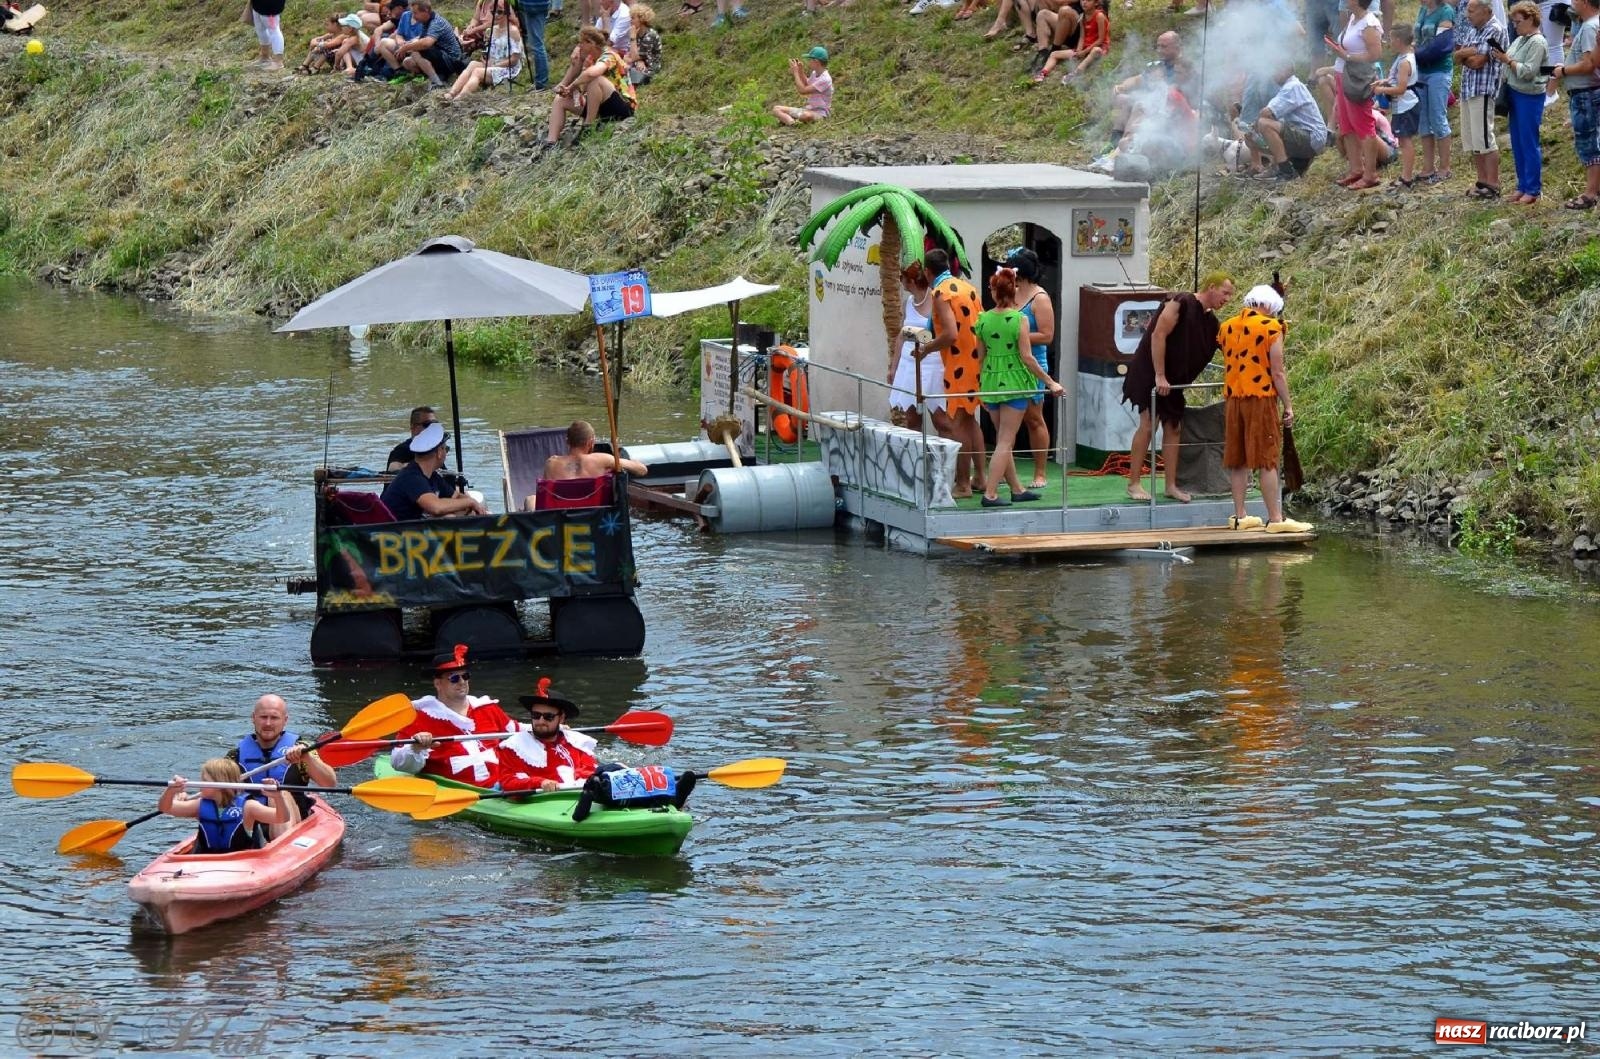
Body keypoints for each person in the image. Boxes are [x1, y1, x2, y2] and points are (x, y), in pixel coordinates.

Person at [1121, 272, 1235, 503]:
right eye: (1225, 293)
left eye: (1230, 295)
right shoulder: (1181, 302)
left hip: (1173, 381)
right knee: (1149, 424)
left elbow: (1228, 348)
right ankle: (1133, 483)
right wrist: (1159, 375)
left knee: (1174, 427)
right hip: (1150, 372)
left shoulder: (1211, 323)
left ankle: (1171, 485)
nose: (1227, 299)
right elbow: (1158, 335)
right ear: (1211, 287)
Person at [1218, 284, 1312, 534]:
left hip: (1233, 399)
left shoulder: (1227, 327)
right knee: (1268, 459)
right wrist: (1288, 405)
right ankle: (1276, 519)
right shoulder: (1271, 327)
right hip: (1260, 399)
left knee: (1238, 459)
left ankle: (1240, 517)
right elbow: (1277, 372)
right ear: (1269, 306)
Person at [389, 645, 542, 791]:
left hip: (504, 782)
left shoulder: (486, 707)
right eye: (454, 678)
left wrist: (550, 726)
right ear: (438, 683)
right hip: (461, 790)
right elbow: (398, 762)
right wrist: (415, 747)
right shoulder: (418, 717)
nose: (462, 682)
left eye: (465, 676)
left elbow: (518, 730)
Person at [974, 267, 1064, 507]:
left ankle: (1016, 488)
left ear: (993, 291)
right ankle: (990, 494)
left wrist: (980, 387)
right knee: (1005, 441)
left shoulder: (982, 320)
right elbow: (1027, 357)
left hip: (991, 383)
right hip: (1014, 382)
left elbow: (980, 357)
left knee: (1003, 438)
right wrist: (1050, 382)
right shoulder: (1019, 319)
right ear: (1013, 290)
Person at [917, 247, 989, 499]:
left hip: (959, 365)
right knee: (969, 420)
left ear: (928, 272)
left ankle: (963, 484)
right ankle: (980, 477)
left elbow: (950, 334)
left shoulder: (941, 293)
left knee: (957, 424)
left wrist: (926, 349)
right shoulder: (968, 288)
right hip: (976, 362)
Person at [225, 694, 337, 824]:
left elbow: (329, 784)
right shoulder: (235, 755)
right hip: (253, 820)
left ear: (285, 720)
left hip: (291, 820)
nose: (268, 723)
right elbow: (216, 792)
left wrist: (307, 758)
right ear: (253, 718)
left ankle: (281, 834)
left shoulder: (302, 750)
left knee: (277, 792)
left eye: (274, 718)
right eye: (263, 717)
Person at [158, 761, 293, 854]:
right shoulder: (199, 805)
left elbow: (282, 818)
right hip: (206, 863)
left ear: (220, 785)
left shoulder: (248, 807)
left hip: (244, 862)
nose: (199, 784)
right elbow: (166, 808)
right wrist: (171, 791)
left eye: (205, 780)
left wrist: (277, 797)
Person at [1322, 0, 1386, 191]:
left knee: (1363, 124)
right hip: (1343, 76)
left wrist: (1347, 56)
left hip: (1357, 80)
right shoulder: (1353, 19)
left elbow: (1375, 54)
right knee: (1347, 124)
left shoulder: (1369, 23)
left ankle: (1370, 174)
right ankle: (1356, 168)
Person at [1491, 2, 1551, 204]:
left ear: (1530, 19)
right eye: (1513, 22)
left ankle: (1533, 188)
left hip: (1529, 96)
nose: (1515, 26)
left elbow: (1528, 71)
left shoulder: (1538, 42)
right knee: (1517, 142)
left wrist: (1507, 60)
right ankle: (1522, 184)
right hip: (1515, 93)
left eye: (1518, 22)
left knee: (1528, 141)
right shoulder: (1520, 40)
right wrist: (1503, 59)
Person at [542, 27, 637, 150]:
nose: (579, 46)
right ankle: (551, 142)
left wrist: (572, 86)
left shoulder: (609, 55)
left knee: (595, 80)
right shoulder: (590, 59)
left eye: (581, 43)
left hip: (622, 105)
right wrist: (572, 91)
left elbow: (592, 74)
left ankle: (588, 126)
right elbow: (582, 86)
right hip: (600, 106)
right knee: (560, 100)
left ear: (591, 43)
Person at [1007, 248, 1054, 489]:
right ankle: (1007, 473)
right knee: (1007, 421)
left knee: (1034, 419)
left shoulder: (1040, 298)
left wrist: (1018, 336)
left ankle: (1040, 472)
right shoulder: (1011, 293)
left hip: (1033, 363)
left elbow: (1047, 335)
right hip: (1009, 364)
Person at [1453, 0, 1509, 198]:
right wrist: (1466, 52)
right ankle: (1482, 181)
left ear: (1486, 10)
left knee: (1485, 138)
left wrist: (1466, 54)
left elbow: (1478, 62)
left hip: (1483, 90)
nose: (1467, 15)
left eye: (1471, 11)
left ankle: (1493, 184)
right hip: (1468, 90)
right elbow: (1457, 56)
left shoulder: (1495, 29)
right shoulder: (1473, 30)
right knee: (1474, 140)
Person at [380, 422, 489, 520]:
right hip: (391, 532)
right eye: (446, 449)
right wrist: (470, 502)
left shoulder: (432, 476)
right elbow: (436, 507)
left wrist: (472, 507)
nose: (446, 454)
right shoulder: (412, 477)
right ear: (439, 452)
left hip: (408, 529)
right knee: (448, 518)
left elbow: (455, 496)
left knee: (457, 515)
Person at [498, 687, 598, 791]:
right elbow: (508, 781)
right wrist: (540, 782)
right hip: (539, 799)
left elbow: (590, 770)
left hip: (577, 794)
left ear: (561, 718)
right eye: (536, 715)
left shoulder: (578, 742)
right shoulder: (513, 746)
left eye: (548, 716)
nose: (541, 721)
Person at [1551, 0, 1600, 209]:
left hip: (1585, 93)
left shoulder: (1589, 27)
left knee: (1589, 143)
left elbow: (1589, 64)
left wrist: (1563, 71)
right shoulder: (1592, 24)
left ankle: (1590, 193)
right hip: (1588, 92)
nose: (1571, 2)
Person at [887, 261, 944, 434]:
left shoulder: (936, 300)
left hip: (931, 363)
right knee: (911, 418)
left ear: (910, 281)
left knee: (940, 419)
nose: (901, 282)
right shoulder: (908, 302)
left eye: (902, 278)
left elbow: (941, 333)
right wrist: (894, 368)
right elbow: (901, 336)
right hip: (909, 364)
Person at [1255, 64, 1330, 180]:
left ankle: (1287, 171)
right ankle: (1278, 167)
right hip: (1305, 136)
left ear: (1287, 70)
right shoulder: (1287, 87)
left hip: (1312, 137)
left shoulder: (1292, 87)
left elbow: (1267, 113)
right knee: (1252, 138)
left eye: (1276, 69)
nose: (1273, 74)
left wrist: (1255, 126)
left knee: (1264, 124)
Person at [1412, 0, 1458, 184]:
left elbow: (1441, 45)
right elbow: (1417, 38)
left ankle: (1445, 167)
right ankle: (1428, 166)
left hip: (1439, 71)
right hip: (1421, 70)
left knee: (1438, 117)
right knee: (1424, 120)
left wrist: (1414, 53)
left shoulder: (1446, 12)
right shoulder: (1423, 10)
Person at [445, 4, 523, 100]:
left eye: (500, 12)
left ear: (507, 13)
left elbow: (514, 59)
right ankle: (452, 93)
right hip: (493, 63)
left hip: (508, 68)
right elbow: (491, 51)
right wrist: (487, 60)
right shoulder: (493, 30)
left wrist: (495, 64)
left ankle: (461, 97)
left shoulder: (513, 31)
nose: (496, 15)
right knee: (472, 64)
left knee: (477, 72)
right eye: (493, 12)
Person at [1376, 27, 1421, 186]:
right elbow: (1397, 80)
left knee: (1405, 141)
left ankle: (1407, 177)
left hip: (1405, 105)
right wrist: (1384, 82)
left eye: (1391, 39)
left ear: (1399, 40)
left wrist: (1382, 90)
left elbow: (1401, 88)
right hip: (1401, 105)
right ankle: (1405, 175)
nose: (1389, 42)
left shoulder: (1404, 62)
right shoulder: (1403, 57)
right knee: (1403, 140)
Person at [543, 419, 648, 479]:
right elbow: (642, 470)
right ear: (590, 442)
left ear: (567, 441)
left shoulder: (551, 463)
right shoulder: (602, 460)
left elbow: (545, 493)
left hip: (561, 510)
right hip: (593, 509)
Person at [396, 0, 466, 88]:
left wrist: (406, 47)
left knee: (414, 51)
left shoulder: (436, 22)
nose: (413, 16)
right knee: (407, 62)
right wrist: (407, 45)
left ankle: (437, 83)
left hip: (452, 60)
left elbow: (426, 43)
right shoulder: (425, 22)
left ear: (425, 11)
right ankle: (436, 76)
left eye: (415, 13)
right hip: (440, 56)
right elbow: (421, 40)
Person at [1036, 0, 1108, 83]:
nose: (1084, 2)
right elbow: (1082, 37)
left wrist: (1084, 52)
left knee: (1096, 50)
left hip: (1096, 47)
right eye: (1082, 0)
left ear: (1096, 3)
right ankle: (1043, 73)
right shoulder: (1082, 17)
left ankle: (1076, 73)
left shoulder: (1099, 16)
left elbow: (1101, 39)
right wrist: (1079, 50)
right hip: (1084, 46)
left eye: (1088, 0)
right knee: (1054, 54)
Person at [774, 46, 833, 125]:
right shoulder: (815, 73)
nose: (809, 62)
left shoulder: (825, 79)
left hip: (820, 113)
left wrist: (795, 73)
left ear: (816, 62)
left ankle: (791, 120)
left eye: (810, 60)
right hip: (808, 109)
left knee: (806, 116)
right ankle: (792, 123)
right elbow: (806, 84)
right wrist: (800, 71)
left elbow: (802, 91)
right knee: (776, 109)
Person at [387, 405, 438, 471]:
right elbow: (393, 468)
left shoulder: (435, 449)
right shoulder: (402, 449)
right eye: (428, 424)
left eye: (435, 424)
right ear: (414, 427)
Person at [248, 0, 288, 70]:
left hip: (271, 6)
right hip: (258, 4)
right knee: (260, 29)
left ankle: (278, 62)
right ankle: (265, 57)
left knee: (274, 31)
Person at [628, 3, 660, 85]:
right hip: (638, 66)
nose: (630, 21)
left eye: (633, 18)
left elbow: (633, 57)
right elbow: (628, 56)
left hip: (649, 70)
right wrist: (638, 60)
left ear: (641, 19)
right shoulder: (636, 33)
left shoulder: (650, 35)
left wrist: (632, 38)